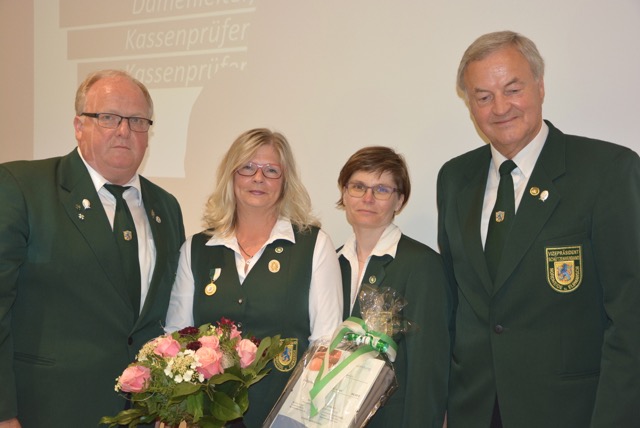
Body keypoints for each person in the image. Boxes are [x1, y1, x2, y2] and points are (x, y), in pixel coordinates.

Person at [437, 30, 640, 427]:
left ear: (541, 87)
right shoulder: (454, 179)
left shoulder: (607, 171)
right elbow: (454, 303)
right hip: (475, 411)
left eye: (513, 89)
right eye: (483, 96)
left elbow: (631, 317)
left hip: (571, 413)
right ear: (469, 104)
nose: (500, 107)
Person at [0, 70, 185, 428]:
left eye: (137, 121)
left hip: (143, 415)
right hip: (46, 412)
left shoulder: (166, 207)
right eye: (108, 117)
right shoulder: (23, 188)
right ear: (78, 125)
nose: (124, 130)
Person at [165, 128, 343, 426]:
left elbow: (326, 344)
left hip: (285, 416)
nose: (258, 178)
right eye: (247, 167)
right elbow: (177, 337)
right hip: (208, 416)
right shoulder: (197, 249)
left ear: (285, 182)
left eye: (271, 170)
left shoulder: (313, 245)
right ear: (231, 176)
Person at [337, 146, 451, 427]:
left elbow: (428, 369)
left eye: (382, 190)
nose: (367, 198)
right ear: (344, 193)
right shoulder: (330, 262)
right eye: (358, 186)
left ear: (399, 200)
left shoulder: (422, 265)